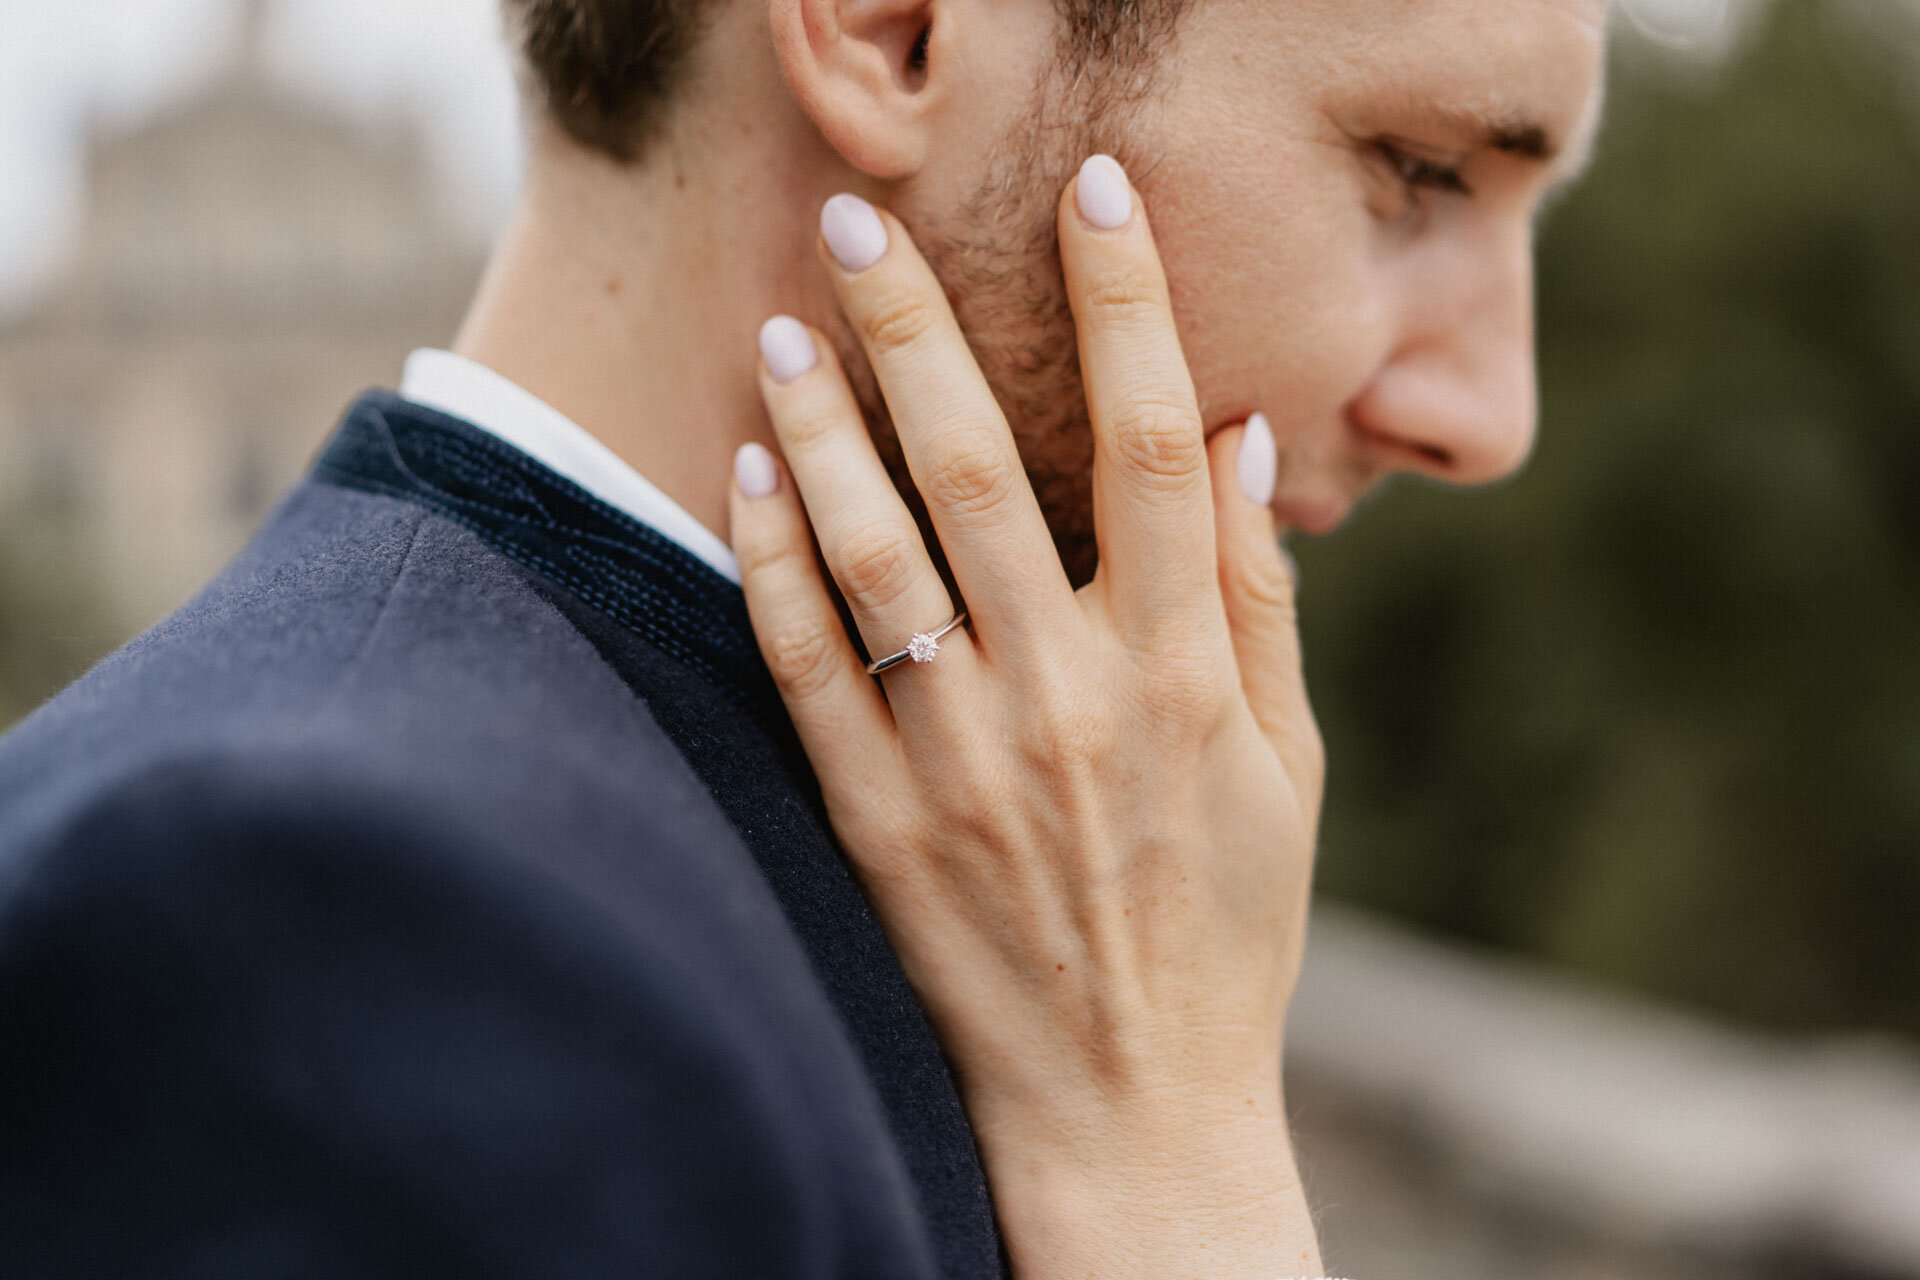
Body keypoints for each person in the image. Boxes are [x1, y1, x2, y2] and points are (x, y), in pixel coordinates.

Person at [0, 0, 1606, 1275]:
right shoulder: (315, 921)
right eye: (1422, 172)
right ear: (889, 31)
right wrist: (1189, 1203)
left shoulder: (989, 851)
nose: (1491, 415)